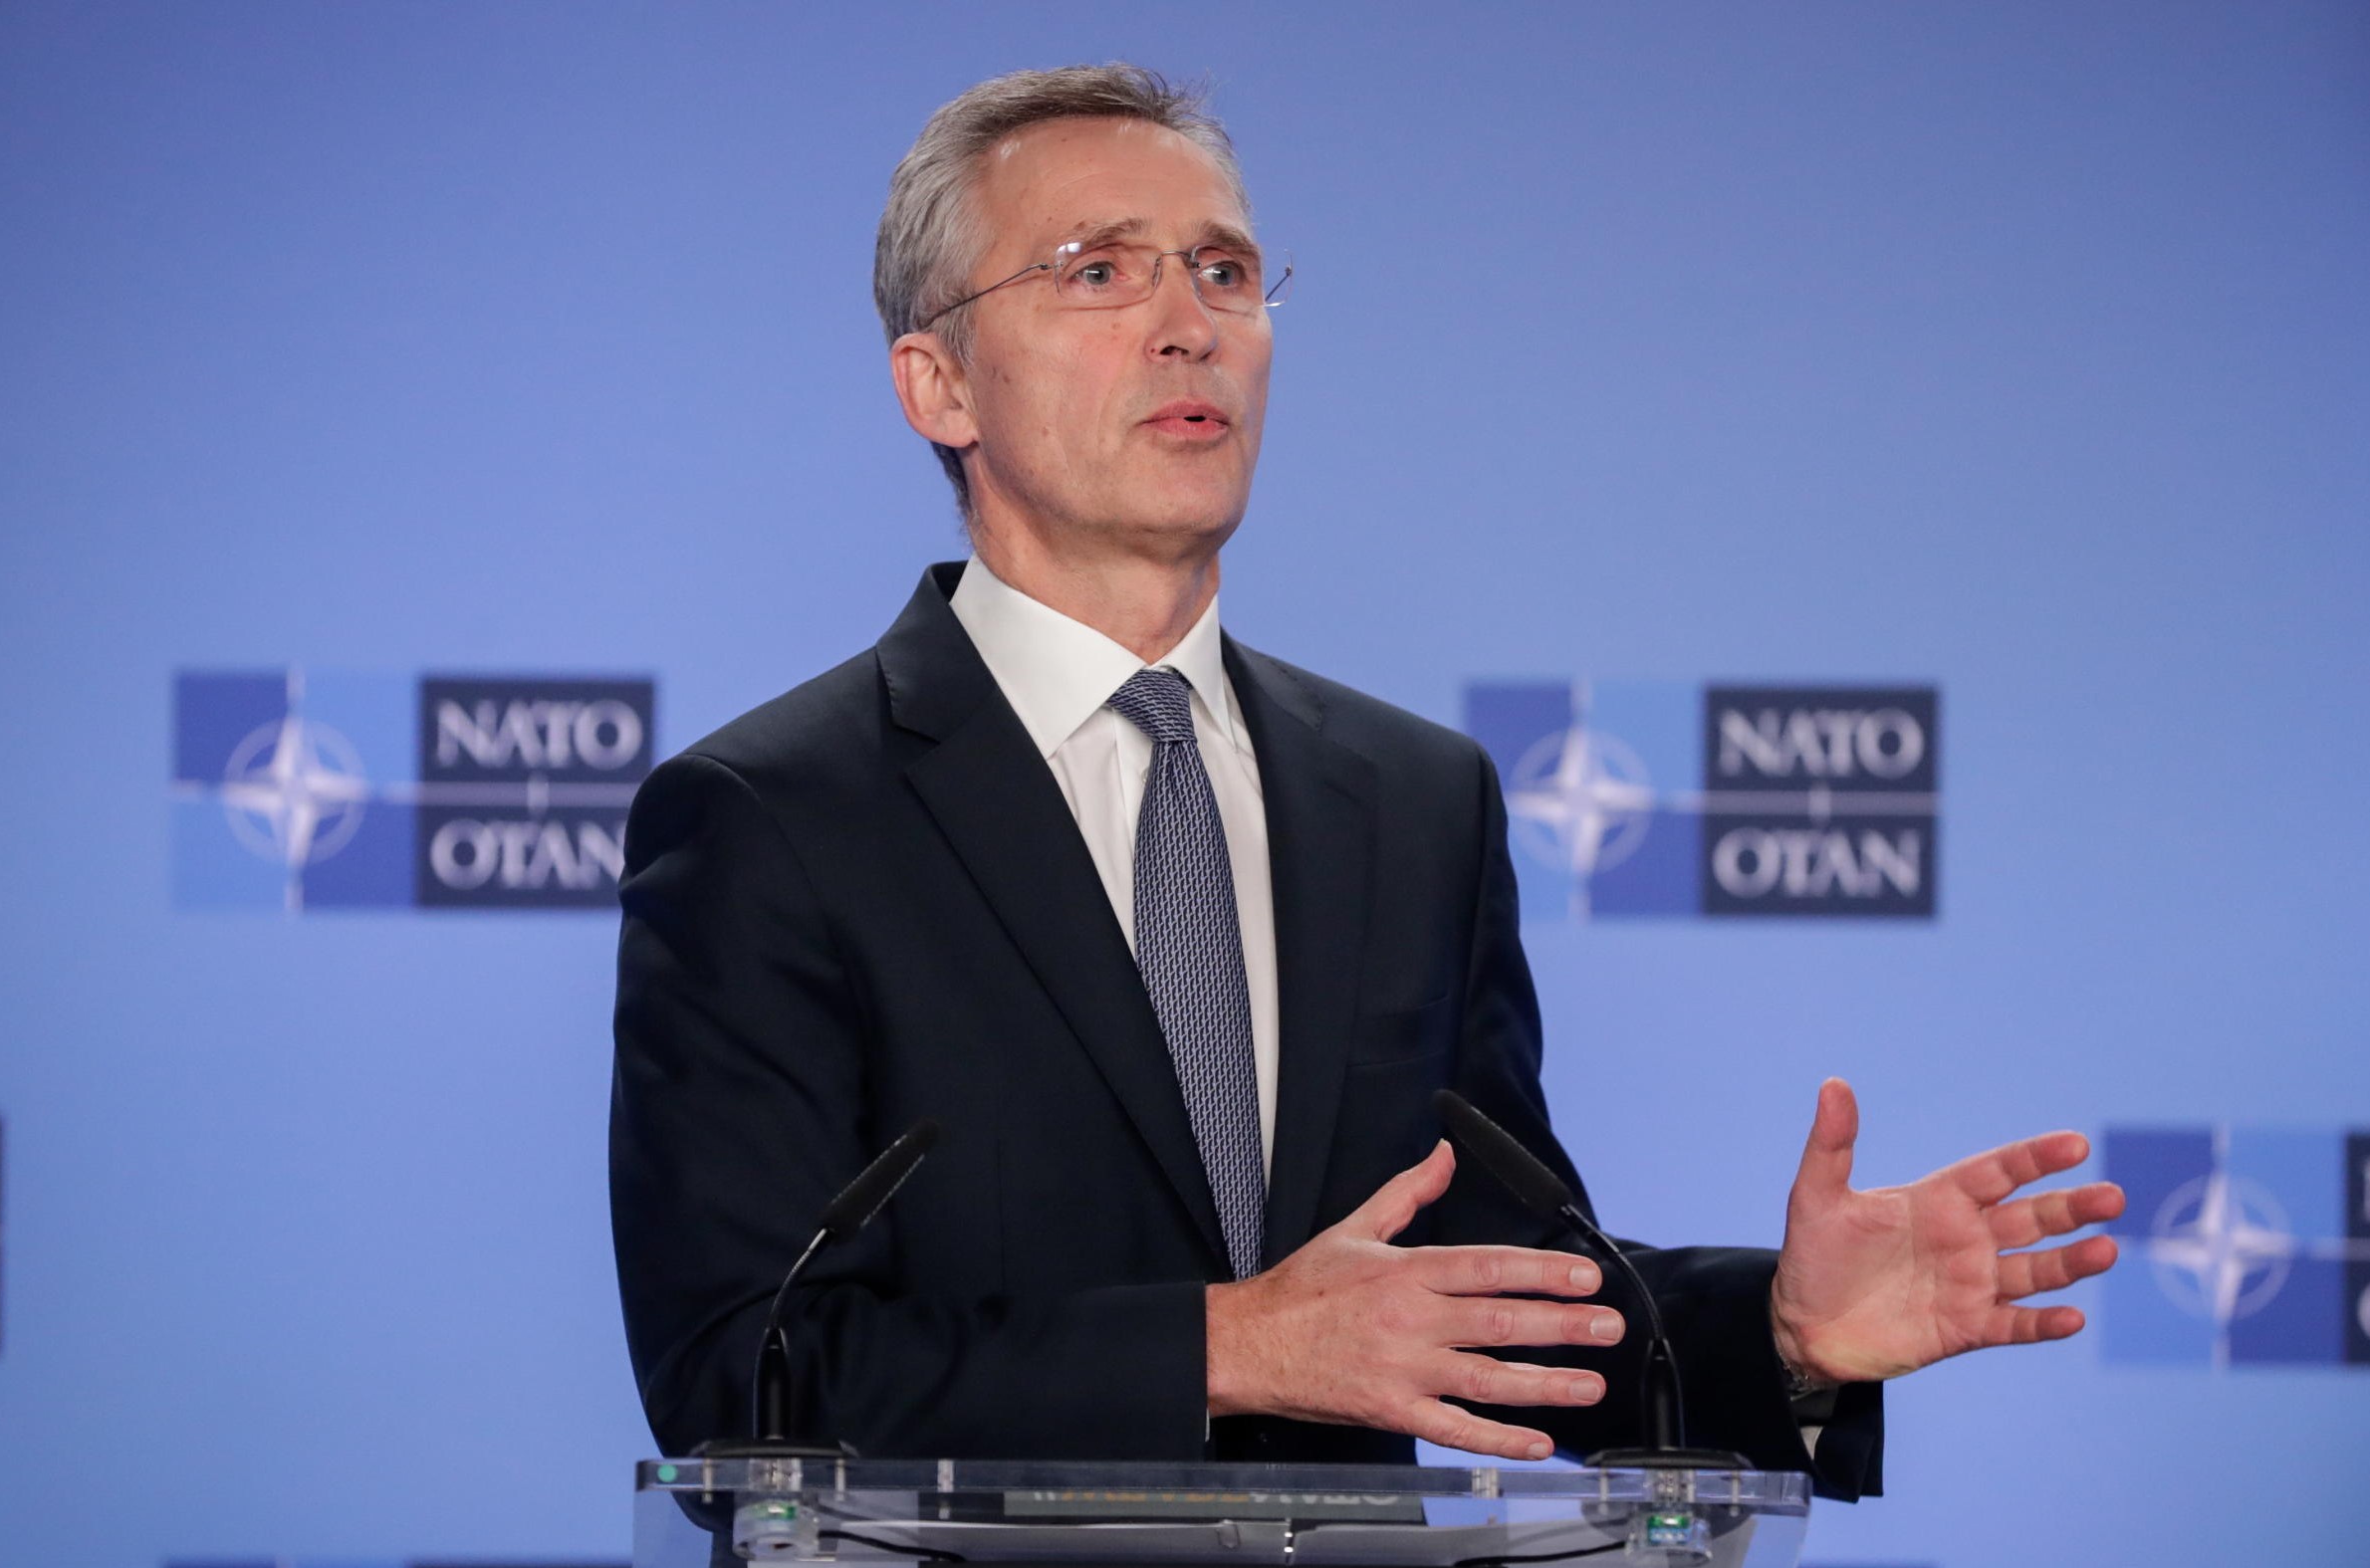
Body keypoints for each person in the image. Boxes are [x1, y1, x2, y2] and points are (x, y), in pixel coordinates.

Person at [608, 64, 2123, 1500]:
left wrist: (1776, 1335)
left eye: (1223, 269)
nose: (1187, 323)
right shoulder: (776, 818)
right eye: (1096, 271)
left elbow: (1481, 1298)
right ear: (938, 386)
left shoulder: (1413, 803)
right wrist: (1228, 1344)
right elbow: (746, 1372)